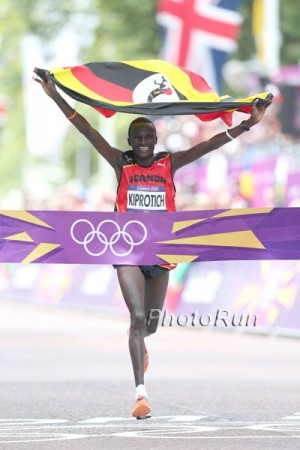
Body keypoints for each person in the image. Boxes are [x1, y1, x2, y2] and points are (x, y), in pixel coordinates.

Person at [33, 68, 271, 419]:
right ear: (130, 142)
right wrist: (55, 95)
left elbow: (211, 144)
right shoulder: (120, 162)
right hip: (127, 249)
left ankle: (142, 344)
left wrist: (249, 123)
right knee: (137, 317)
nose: (143, 142)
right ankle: (140, 395)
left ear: (155, 141)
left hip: (161, 250)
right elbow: (86, 129)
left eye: (148, 137)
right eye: (138, 137)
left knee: (152, 324)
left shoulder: (169, 164)